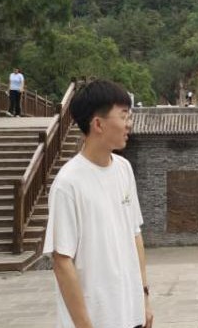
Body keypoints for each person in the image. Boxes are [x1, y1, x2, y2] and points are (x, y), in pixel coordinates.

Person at [43, 79, 153, 328]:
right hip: (96, 320)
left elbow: (135, 234)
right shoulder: (68, 183)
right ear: (98, 124)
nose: (129, 123)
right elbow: (62, 261)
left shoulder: (124, 169)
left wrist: (144, 298)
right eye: (123, 115)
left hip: (131, 314)